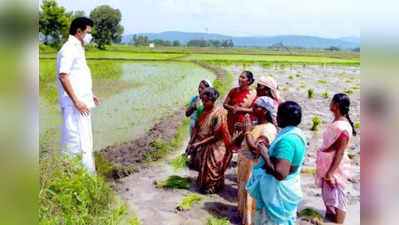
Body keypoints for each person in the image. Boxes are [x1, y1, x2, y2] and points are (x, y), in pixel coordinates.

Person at [246, 101, 307, 225]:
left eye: (278, 114)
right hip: (286, 189)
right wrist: (270, 149)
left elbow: (281, 173)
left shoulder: (288, 140)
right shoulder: (295, 133)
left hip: (277, 195)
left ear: (284, 118)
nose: (275, 117)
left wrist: (264, 153)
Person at [56, 17, 99, 174]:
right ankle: (72, 177)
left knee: (85, 141)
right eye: (88, 32)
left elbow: (78, 76)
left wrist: (90, 95)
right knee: (74, 142)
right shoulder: (69, 49)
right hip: (75, 105)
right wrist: (76, 101)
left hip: (82, 103)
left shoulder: (78, 48)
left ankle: (86, 176)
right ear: (78, 31)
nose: (90, 35)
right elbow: (63, 75)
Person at [234, 97, 277, 225]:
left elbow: (255, 149)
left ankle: (250, 221)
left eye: (257, 106)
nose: (253, 108)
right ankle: (243, 217)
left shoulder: (268, 129)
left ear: (265, 111)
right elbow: (237, 143)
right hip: (245, 166)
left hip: (254, 168)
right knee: (243, 190)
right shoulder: (255, 124)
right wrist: (243, 131)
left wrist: (247, 130)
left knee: (250, 195)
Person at [315, 93, 357, 224]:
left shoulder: (342, 127)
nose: (330, 103)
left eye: (331, 101)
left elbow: (339, 152)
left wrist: (330, 173)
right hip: (328, 163)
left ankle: (339, 222)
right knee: (329, 194)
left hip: (336, 166)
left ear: (336, 105)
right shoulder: (337, 122)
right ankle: (330, 218)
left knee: (339, 197)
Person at [186, 87, 231, 194]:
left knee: (214, 167)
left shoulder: (218, 113)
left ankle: (213, 186)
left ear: (213, 100)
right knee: (204, 166)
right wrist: (190, 143)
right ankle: (205, 185)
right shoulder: (203, 110)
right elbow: (197, 128)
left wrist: (198, 144)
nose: (204, 103)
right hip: (205, 143)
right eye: (203, 100)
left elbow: (216, 136)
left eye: (207, 101)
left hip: (216, 145)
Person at [224, 71, 257, 149]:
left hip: (242, 123)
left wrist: (240, 109)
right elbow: (225, 104)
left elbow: (254, 110)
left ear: (248, 81)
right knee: (229, 142)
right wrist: (232, 108)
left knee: (239, 143)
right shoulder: (233, 91)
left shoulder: (253, 94)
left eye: (243, 77)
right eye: (240, 77)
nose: (240, 79)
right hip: (231, 120)